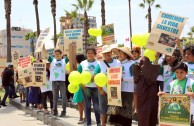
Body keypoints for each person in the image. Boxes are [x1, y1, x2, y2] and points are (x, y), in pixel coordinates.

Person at [94, 45, 121, 126]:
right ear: (102, 54)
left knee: (114, 109)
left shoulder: (118, 62)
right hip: (103, 91)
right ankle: (103, 124)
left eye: (108, 53)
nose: (106, 55)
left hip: (115, 91)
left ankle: (112, 124)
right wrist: (100, 90)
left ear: (111, 53)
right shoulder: (99, 64)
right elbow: (96, 78)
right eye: (105, 53)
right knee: (103, 109)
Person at [107, 47, 135, 126]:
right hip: (117, 90)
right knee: (116, 110)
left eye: (121, 53)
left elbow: (135, 78)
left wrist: (124, 79)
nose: (119, 54)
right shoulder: (118, 63)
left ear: (126, 55)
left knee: (126, 110)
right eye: (119, 53)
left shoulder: (132, 64)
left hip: (128, 90)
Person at [133, 56, 160, 126]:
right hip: (142, 96)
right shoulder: (138, 73)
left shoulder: (153, 72)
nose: (141, 64)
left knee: (150, 113)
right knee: (143, 115)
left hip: (150, 96)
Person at [77, 48, 101, 126]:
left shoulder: (99, 63)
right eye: (88, 53)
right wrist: (81, 84)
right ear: (86, 54)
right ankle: (89, 123)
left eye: (92, 53)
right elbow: (78, 75)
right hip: (85, 88)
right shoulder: (82, 64)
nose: (90, 55)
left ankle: (98, 122)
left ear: (94, 54)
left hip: (95, 87)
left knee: (96, 106)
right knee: (87, 106)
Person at [47, 49, 68, 117]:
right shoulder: (52, 60)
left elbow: (71, 54)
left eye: (58, 54)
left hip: (62, 81)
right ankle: (55, 111)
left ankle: (64, 111)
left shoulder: (64, 60)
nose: (57, 55)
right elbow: (45, 54)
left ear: (61, 54)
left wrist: (73, 45)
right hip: (54, 81)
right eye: (56, 54)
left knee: (64, 97)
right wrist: (42, 46)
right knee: (55, 97)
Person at [72, 54, 86, 124]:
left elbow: (78, 76)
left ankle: (81, 117)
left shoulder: (80, 66)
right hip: (84, 85)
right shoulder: (85, 64)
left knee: (80, 103)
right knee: (84, 102)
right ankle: (86, 117)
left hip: (80, 86)